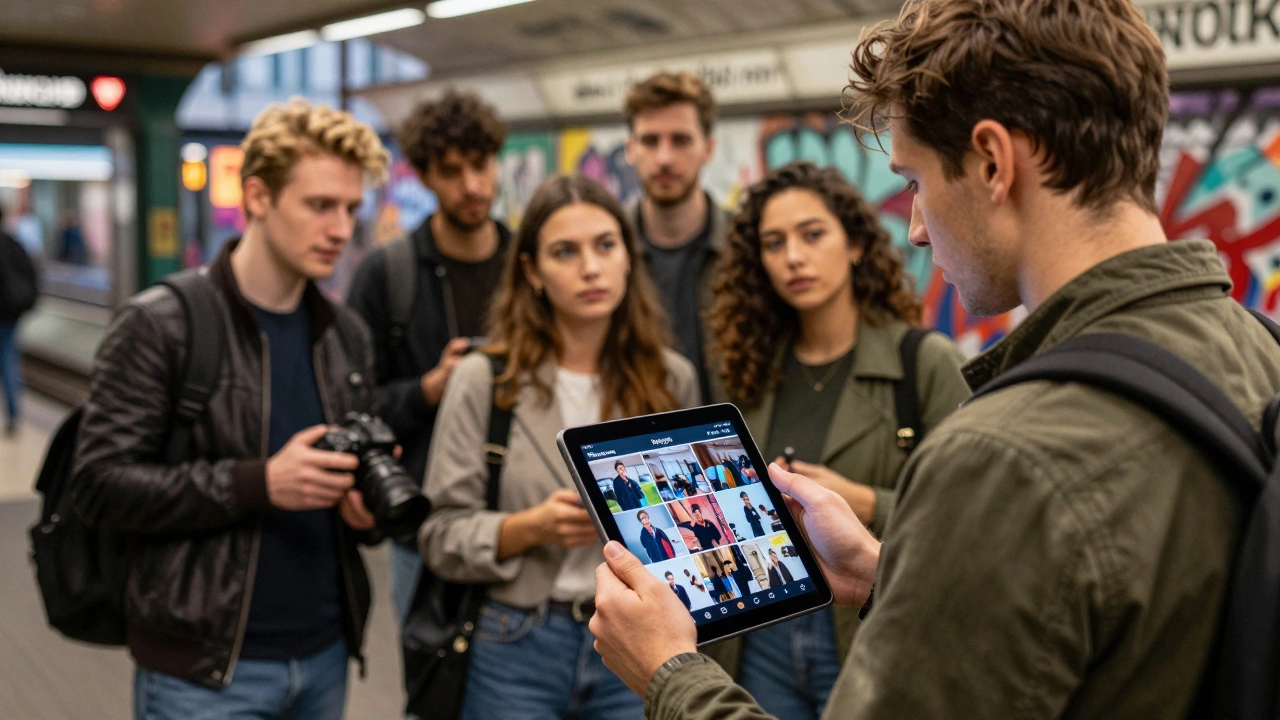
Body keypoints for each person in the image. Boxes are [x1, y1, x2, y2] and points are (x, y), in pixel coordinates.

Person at [587, 1, 1280, 718]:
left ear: (992, 161)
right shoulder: (1258, 349)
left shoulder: (1003, 458)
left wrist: (671, 672)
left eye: (914, 182)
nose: (914, 230)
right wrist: (891, 571)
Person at [71, 100, 390, 720]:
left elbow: (347, 497)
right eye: (320, 205)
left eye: (351, 209)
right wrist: (259, 482)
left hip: (326, 653)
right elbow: (99, 485)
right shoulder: (162, 324)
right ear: (258, 197)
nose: (340, 229)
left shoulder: (345, 333)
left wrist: (364, 510)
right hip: (206, 669)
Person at [695, 160, 970, 719]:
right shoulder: (745, 372)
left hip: (871, 623)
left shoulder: (923, 362)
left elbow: (969, 517)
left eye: (812, 234)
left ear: (855, 245)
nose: (793, 256)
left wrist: (867, 503)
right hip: (761, 631)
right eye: (774, 243)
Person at [419, 174, 699, 720]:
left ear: (627, 258)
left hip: (639, 638)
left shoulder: (672, 379)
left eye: (605, 245)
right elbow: (438, 533)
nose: (590, 268)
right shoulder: (484, 379)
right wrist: (529, 528)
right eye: (564, 252)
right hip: (516, 639)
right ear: (532, 271)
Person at [347, 89, 511, 624]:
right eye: (451, 171)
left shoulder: (529, 265)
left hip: (519, 516)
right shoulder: (388, 275)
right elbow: (354, 406)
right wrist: (428, 389)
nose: (471, 186)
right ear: (423, 175)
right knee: (434, 678)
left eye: (481, 165)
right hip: (425, 523)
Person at [624, 71, 728, 402]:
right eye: (650, 141)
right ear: (630, 149)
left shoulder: (748, 248)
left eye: (681, 141)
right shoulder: (606, 254)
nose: (664, 158)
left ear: (708, 149)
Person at [0, 206, 38, 436]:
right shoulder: (14, 243)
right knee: (9, 361)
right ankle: (14, 416)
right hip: (11, 315)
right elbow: (32, 275)